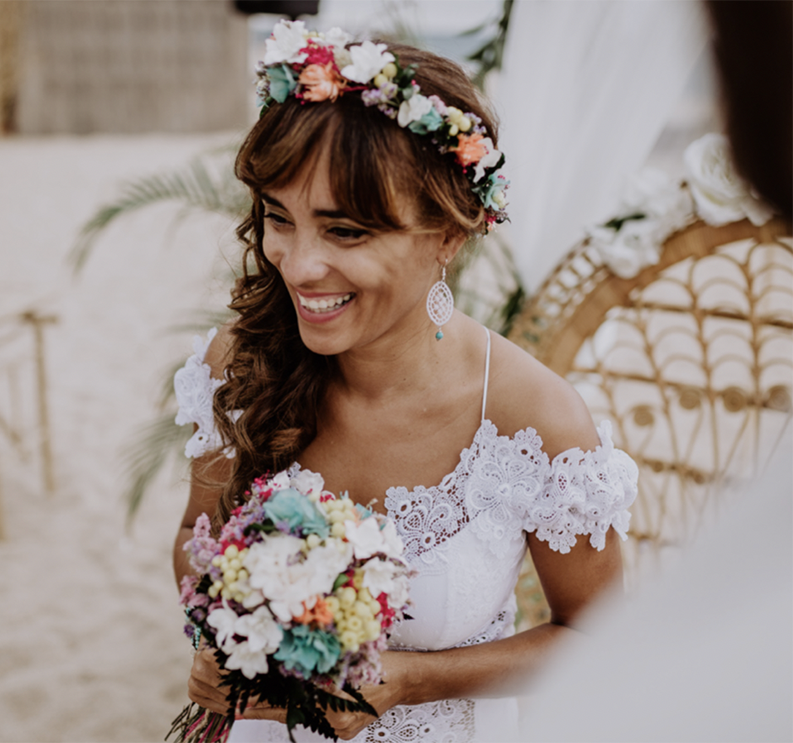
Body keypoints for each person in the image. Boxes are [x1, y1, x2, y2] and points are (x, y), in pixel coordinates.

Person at [171, 20, 638, 743]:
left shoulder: (534, 419)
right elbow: (194, 543)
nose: (297, 266)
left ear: (449, 232)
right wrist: (218, 637)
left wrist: (411, 680)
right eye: (278, 218)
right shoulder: (240, 364)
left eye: (346, 231)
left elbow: (603, 639)